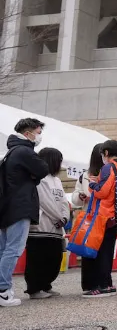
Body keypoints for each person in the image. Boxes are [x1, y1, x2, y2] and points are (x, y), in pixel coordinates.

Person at [0, 118, 50, 308]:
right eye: (38, 132)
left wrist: (32, 176)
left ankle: (3, 288)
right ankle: (3, 290)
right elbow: (43, 169)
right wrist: (33, 175)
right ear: (28, 133)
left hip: (7, 207)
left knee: (4, 249)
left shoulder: (11, 151)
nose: (39, 136)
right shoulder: (24, 151)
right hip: (19, 207)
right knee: (13, 249)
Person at [83, 140, 117, 298]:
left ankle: (102, 285)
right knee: (107, 250)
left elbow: (103, 192)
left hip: (104, 215)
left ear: (105, 153)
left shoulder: (108, 167)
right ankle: (108, 283)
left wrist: (92, 185)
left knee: (101, 251)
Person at [24, 147, 68, 300]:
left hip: (56, 228)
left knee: (54, 258)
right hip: (41, 226)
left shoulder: (56, 180)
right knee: (38, 259)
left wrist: (65, 217)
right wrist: (58, 217)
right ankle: (34, 288)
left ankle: (46, 285)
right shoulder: (38, 178)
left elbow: (63, 201)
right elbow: (44, 201)